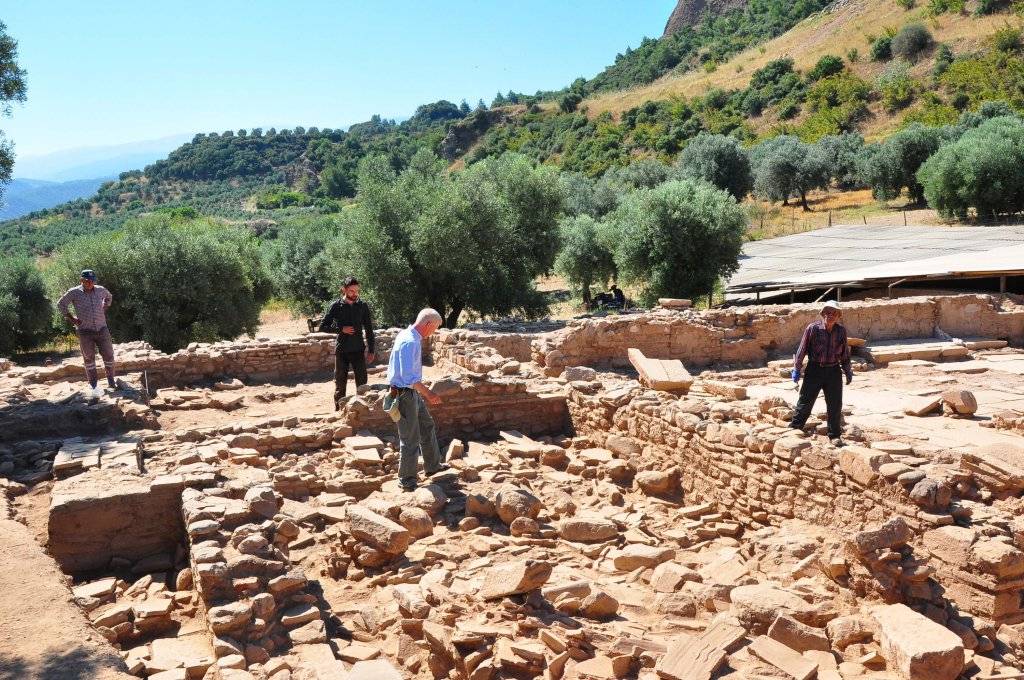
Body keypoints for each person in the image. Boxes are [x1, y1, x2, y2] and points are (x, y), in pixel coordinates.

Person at [386, 308, 448, 491]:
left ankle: (433, 466)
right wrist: (429, 394)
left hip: (411, 393)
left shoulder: (407, 334)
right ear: (428, 324)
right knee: (410, 437)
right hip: (405, 393)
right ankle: (406, 480)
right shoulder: (410, 341)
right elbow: (409, 378)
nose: (434, 332)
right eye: (435, 327)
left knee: (426, 425)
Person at [789, 300, 853, 447]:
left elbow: (844, 353)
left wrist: (848, 370)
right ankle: (795, 428)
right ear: (823, 314)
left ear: (838, 316)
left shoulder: (841, 331)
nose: (830, 316)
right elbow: (802, 349)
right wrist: (797, 369)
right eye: (827, 312)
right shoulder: (813, 329)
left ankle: (834, 435)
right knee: (805, 401)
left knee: (835, 404)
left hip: (833, 370)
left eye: (834, 313)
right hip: (814, 369)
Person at [318, 276, 375, 409]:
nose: (355, 294)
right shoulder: (336, 306)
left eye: (357, 291)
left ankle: (362, 411)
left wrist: (371, 350)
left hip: (358, 349)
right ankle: (339, 411)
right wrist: (340, 329)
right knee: (340, 384)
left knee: (362, 383)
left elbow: (369, 330)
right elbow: (323, 326)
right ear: (343, 290)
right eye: (351, 291)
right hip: (342, 350)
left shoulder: (362, 306)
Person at [57, 269, 116, 394]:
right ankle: (94, 385)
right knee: (89, 359)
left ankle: (111, 381)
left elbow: (109, 297)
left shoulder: (100, 290)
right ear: (81, 280)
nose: (90, 283)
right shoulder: (74, 292)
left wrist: (104, 307)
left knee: (109, 355)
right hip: (85, 331)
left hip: (102, 328)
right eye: (87, 281)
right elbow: (61, 304)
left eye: (92, 280)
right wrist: (72, 319)